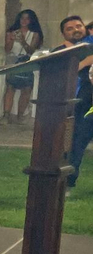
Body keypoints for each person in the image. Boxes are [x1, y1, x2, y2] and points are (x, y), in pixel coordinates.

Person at [49, 15, 93, 187]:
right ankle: (67, 181)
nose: (76, 29)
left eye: (78, 26)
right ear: (63, 34)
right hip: (75, 105)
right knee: (74, 142)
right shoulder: (59, 52)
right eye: (70, 28)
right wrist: (84, 62)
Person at [2, 9, 43, 125]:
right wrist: (10, 39)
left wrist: (23, 41)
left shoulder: (35, 34)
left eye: (27, 18)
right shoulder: (11, 32)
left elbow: (31, 50)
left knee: (26, 89)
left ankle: (20, 116)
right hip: (14, 60)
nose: (24, 21)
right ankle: (6, 115)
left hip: (26, 61)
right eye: (22, 18)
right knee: (10, 87)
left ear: (31, 20)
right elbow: (7, 50)